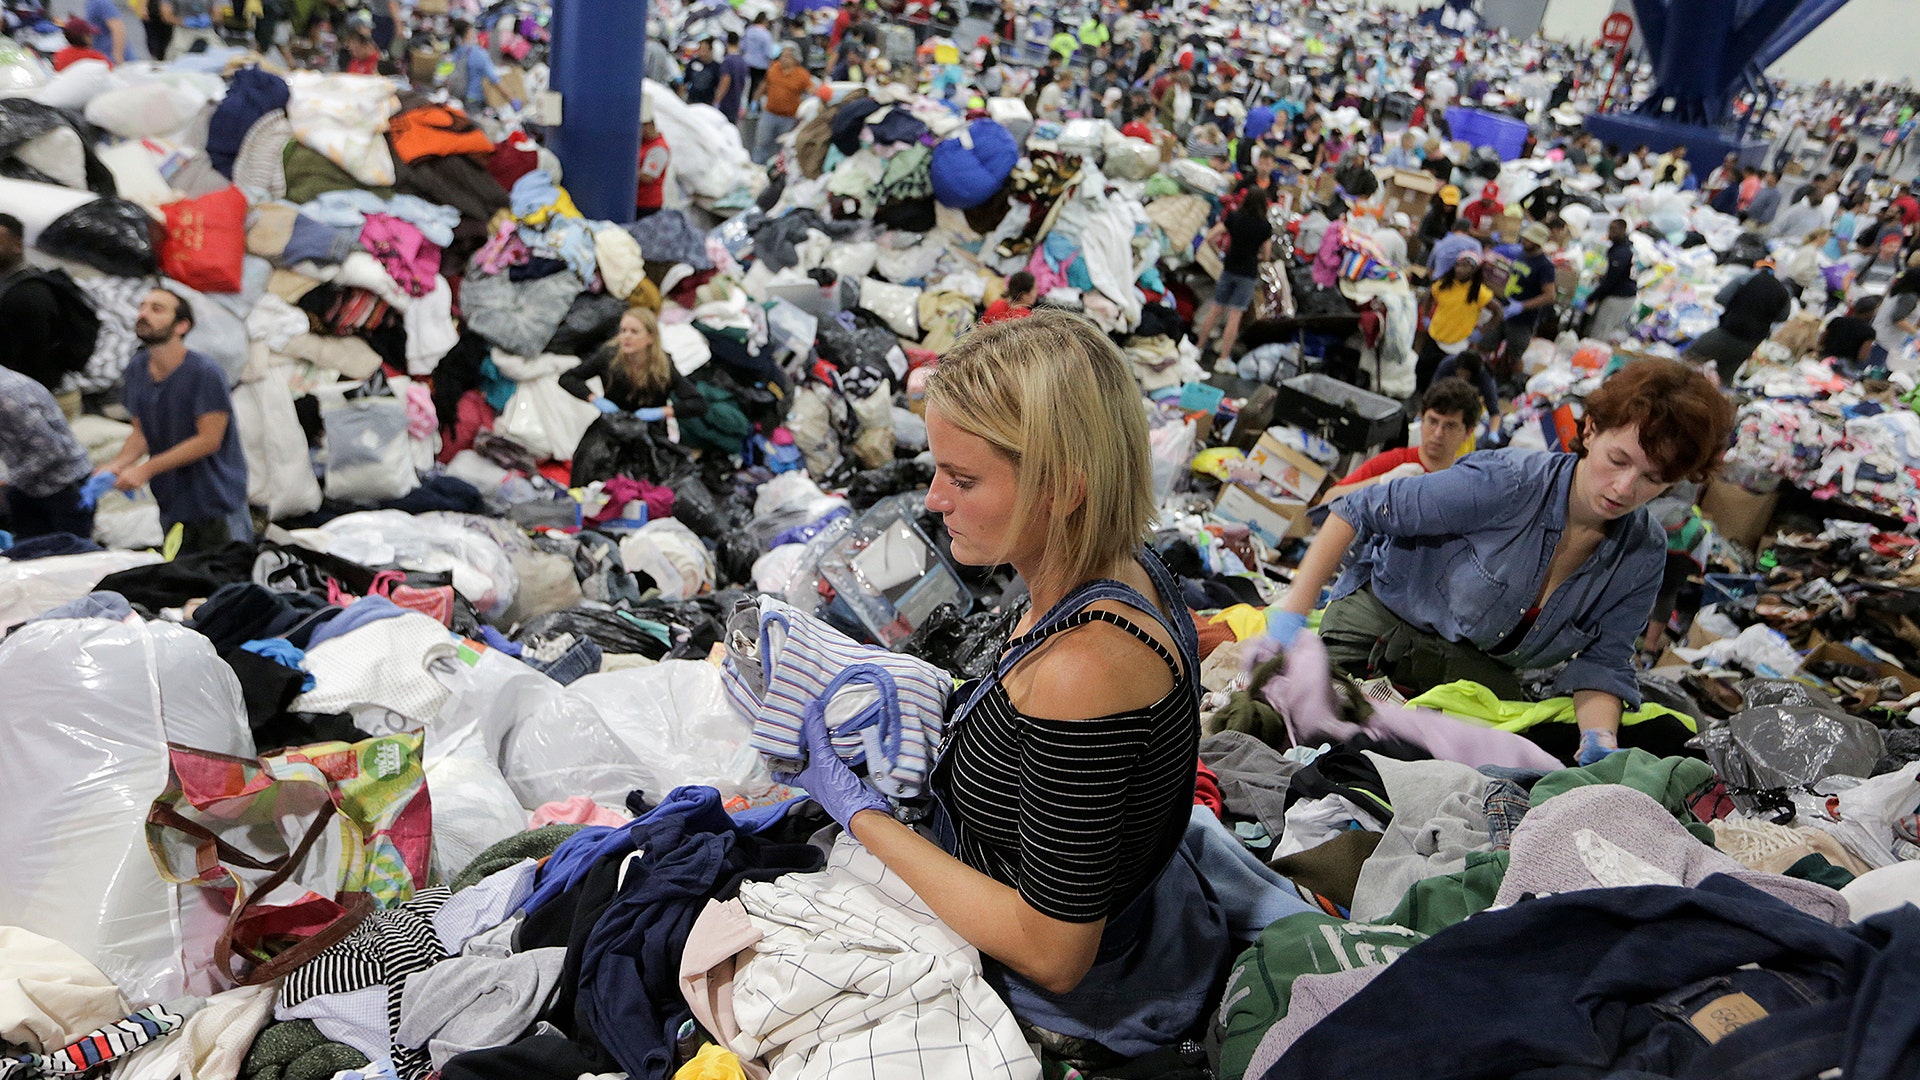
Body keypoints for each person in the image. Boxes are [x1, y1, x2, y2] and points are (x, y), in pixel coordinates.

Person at [784, 310, 1219, 1046]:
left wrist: (862, 815)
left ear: (1065, 488)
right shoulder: (1124, 567)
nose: (932, 500)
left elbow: (1054, 954)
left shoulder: (1082, 673)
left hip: (1072, 987)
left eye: (962, 478)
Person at [1267, 358, 1734, 766]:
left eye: (1652, 478)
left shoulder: (1642, 554)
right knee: (1308, 738)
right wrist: (1289, 618)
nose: (1625, 488)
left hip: (1476, 679)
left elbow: (1605, 663)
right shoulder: (1506, 483)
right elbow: (1355, 509)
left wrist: (1599, 740)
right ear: (1589, 430)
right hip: (1379, 639)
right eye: (1618, 460)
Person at [99, 289, 251, 553]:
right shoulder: (137, 369)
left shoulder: (204, 372)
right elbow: (141, 433)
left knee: (227, 581)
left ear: (182, 326)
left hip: (215, 500)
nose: (144, 314)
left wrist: (146, 470)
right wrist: (118, 464)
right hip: (172, 502)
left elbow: (208, 440)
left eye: (157, 309)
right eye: (143, 307)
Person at [1317, 377, 1483, 503]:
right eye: (1433, 421)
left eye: (1450, 426)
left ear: (1468, 432)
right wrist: (1382, 482)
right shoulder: (1395, 462)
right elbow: (1329, 499)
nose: (1438, 433)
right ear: (1422, 419)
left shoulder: (1465, 483)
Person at [559, 308, 709, 427]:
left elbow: (697, 403)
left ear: (650, 338)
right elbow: (568, 378)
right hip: (613, 426)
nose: (626, 336)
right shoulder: (608, 357)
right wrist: (594, 399)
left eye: (634, 332)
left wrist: (661, 412)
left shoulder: (663, 365)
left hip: (649, 429)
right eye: (623, 331)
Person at [0, 364, 94, 541]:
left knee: (72, 558)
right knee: (27, 557)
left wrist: (8, 480)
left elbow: (51, 451)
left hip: (63, 485)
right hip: (26, 486)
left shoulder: (9, 397)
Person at [1192, 185, 1274, 363]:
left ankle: (1198, 348)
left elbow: (1211, 236)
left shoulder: (1235, 217)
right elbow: (1267, 254)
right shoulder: (1264, 226)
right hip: (1248, 273)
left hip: (1229, 268)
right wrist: (1258, 257)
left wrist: (1220, 252)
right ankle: (1223, 358)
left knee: (1215, 309)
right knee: (1234, 316)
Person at [0, 214, 73, 408]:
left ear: (17, 245)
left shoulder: (28, 294)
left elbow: (34, 359)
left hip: (39, 398)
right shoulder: (11, 285)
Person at [1686, 259, 1791, 384]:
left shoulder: (1745, 278)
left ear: (1757, 267)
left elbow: (1721, 298)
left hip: (1727, 333)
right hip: (1750, 343)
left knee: (1688, 358)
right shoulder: (1783, 292)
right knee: (1725, 378)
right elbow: (1782, 317)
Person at [1417, 250, 1498, 388]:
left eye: (1466, 266)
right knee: (1422, 373)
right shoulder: (1445, 284)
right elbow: (1429, 296)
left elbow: (1498, 312)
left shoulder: (1479, 292)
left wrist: (1483, 330)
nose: (1460, 270)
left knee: (1444, 381)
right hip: (1436, 335)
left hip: (1458, 343)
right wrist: (1426, 317)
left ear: (1474, 270)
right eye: (1458, 265)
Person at [1498, 221, 1558, 376]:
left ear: (1538, 243)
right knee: (1486, 343)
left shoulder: (1544, 266)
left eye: (1529, 240)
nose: (1524, 241)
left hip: (1523, 319)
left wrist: (1522, 306)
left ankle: (1514, 383)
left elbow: (1549, 296)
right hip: (1504, 309)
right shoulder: (1521, 255)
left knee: (1515, 355)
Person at [750, 44, 812, 165]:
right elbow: (765, 84)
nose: (783, 59)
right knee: (761, 144)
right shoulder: (774, 68)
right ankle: (756, 167)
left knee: (782, 148)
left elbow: (811, 90)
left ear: (795, 59)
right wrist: (755, 100)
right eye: (782, 56)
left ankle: (776, 171)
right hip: (769, 114)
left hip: (788, 118)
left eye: (787, 56)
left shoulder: (802, 75)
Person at [1587, 218, 1638, 341]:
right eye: (1610, 229)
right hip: (1620, 294)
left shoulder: (1622, 252)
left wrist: (1592, 297)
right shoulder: (1621, 248)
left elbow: (1611, 280)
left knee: (1601, 332)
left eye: (1614, 230)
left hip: (1619, 297)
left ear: (1623, 230)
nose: (1610, 233)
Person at [450, 20, 509, 112]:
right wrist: (512, 98)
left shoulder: (456, 51)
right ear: (468, 32)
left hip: (459, 96)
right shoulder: (478, 53)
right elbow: (494, 78)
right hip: (475, 100)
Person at [1868, 270, 1920, 371]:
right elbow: (1897, 318)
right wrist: (1916, 333)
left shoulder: (1898, 291)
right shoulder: (1910, 297)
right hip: (1884, 341)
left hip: (1877, 335)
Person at [634, 98, 670, 218]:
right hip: (638, 201)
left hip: (647, 204)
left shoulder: (658, 149)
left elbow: (648, 176)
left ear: (650, 125)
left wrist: (626, 174)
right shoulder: (642, 144)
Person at [715, 33, 750, 124]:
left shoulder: (727, 61)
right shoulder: (742, 61)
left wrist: (717, 100)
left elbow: (725, 80)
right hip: (737, 101)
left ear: (727, 42)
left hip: (726, 102)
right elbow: (746, 82)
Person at [741, 14, 775, 104]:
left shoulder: (748, 31)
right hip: (760, 64)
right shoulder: (766, 34)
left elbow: (742, 46)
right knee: (757, 86)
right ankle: (753, 105)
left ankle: (744, 104)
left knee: (746, 85)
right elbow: (768, 52)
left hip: (747, 61)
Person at [684, 38, 721, 106]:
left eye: (704, 50)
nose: (701, 52)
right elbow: (685, 81)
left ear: (710, 51)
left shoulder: (716, 67)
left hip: (707, 102)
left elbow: (718, 86)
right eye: (699, 49)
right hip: (692, 100)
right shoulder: (693, 63)